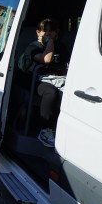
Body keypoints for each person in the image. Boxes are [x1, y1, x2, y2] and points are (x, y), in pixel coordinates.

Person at [17, 18, 68, 147]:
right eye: (44, 31)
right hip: (36, 81)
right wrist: (50, 42)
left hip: (56, 78)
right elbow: (46, 59)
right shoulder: (34, 46)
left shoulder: (61, 46)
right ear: (38, 33)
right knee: (50, 92)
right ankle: (45, 129)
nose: (47, 34)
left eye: (51, 32)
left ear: (57, 33)